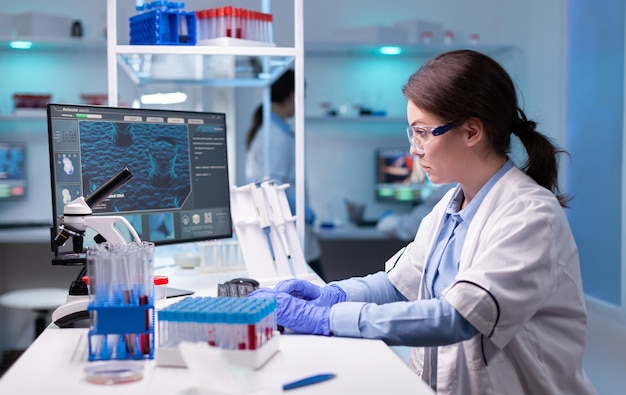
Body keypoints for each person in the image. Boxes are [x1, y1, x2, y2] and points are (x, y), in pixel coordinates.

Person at [249, 50, 597, 394]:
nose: (414, 149)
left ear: (472, 131)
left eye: (422, 132)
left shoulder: (529, 215)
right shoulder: (451, 204)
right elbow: (397, 284)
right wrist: (330, 295)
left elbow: (457, 318)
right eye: (411, 132)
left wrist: (327, 320)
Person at [244, 69, 325, 280]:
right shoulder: (275, 136)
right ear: (292, 95)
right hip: (288, 236)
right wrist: (302, 211)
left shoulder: (272, 131)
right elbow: (272, 186)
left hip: (288, 234)